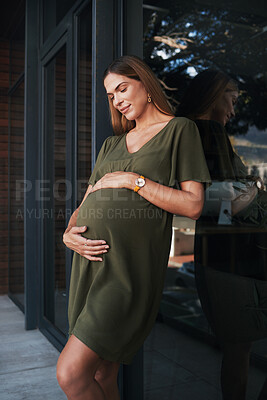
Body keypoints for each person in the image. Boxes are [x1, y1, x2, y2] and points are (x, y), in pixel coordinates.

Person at [56, 55, 211, 400]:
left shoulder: (179, 130)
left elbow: (193, 204)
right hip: (90, 265)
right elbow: (84, 205)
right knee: (101, 372)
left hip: (128, 272)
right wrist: (68, 234)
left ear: (145, 84)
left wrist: (133, 180)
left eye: (123, 88)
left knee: (70, 374)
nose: (118, 99)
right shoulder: (111, 144)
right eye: (111, 95)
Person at [178, 69, 267, 400]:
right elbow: (224, 198)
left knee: (238, 347)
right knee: (239, 347)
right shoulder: (205, 132)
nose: (233, 110)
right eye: (231, 99)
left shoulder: (188, 132)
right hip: (237, 254)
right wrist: (250, 190)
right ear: (215, 94)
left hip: (220, 253)